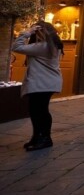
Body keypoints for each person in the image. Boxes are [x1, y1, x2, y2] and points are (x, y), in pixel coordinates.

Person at [12, 22, 63, 151]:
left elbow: (16, 46)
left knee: (37, 111)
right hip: (48, 83)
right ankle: (39, 137)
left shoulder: (42, 47)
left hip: (41, 83)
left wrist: (27, 32)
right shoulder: (52, 46)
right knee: (41, 110)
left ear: (40, 33)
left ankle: (44, 139)